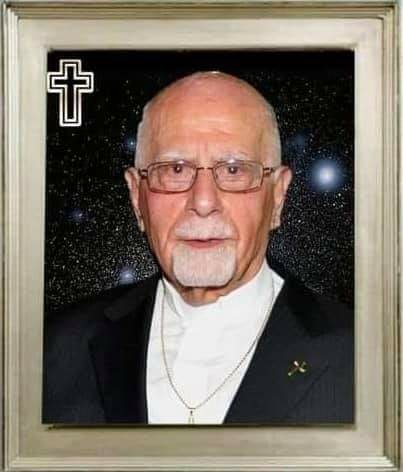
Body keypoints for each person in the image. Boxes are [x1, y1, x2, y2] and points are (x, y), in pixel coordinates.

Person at [43, 71, 353, 425]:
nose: (203, 202)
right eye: (175, 169)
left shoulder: (367, 358)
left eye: (234, 170)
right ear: (136, 197)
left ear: (278, 196)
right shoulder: (54, 349)